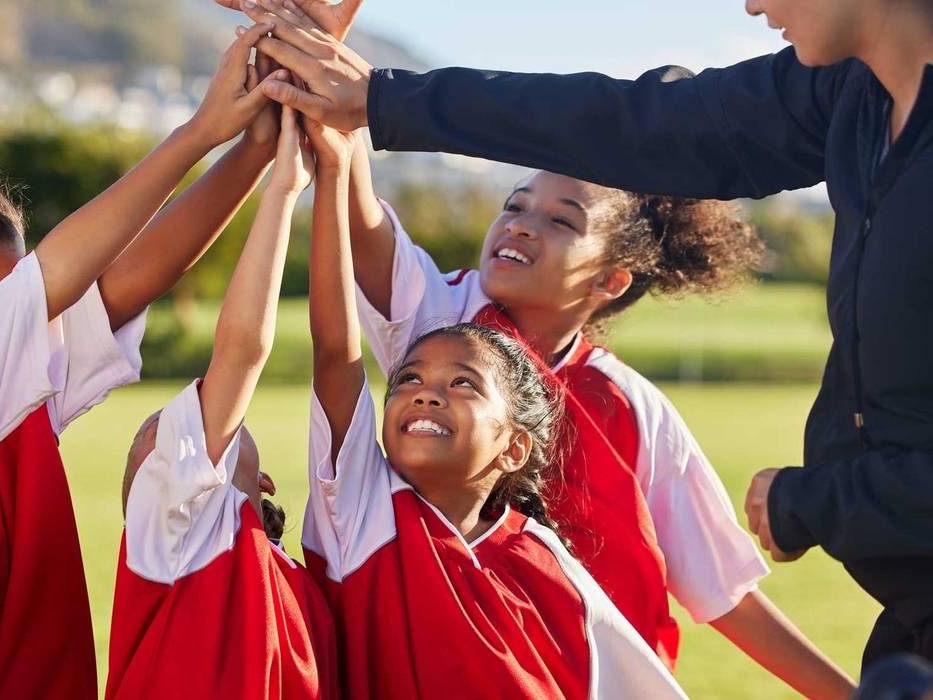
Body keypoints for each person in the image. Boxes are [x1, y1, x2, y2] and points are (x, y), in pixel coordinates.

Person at [232, 0, 933, 668]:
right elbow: (643, 125)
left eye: (561, 220)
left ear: (612, 279)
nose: (748, 8)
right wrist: (348, 86)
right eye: (515, 204)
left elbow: (721, 595)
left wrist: (818, 504)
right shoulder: (442, 322)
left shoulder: (631, 408)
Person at [0, 24, 285, 697]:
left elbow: (131, 277)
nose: (32, 309)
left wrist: (255, 147)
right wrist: (201, 133)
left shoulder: (6, 390)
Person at [299, 106, 685, 699]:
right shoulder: (359, 509)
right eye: (409, 379)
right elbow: (335, 346)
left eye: (464, 384)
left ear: (516, 448)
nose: (427, 390)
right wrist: (331, 158)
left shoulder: (552, 565)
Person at [107, 105, 338, 699]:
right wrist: (284, 190)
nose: (164, 439)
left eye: (154, 436)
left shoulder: (298, 580)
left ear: (261, 485)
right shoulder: (172, 530)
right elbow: (242, 351)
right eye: (149, 454)